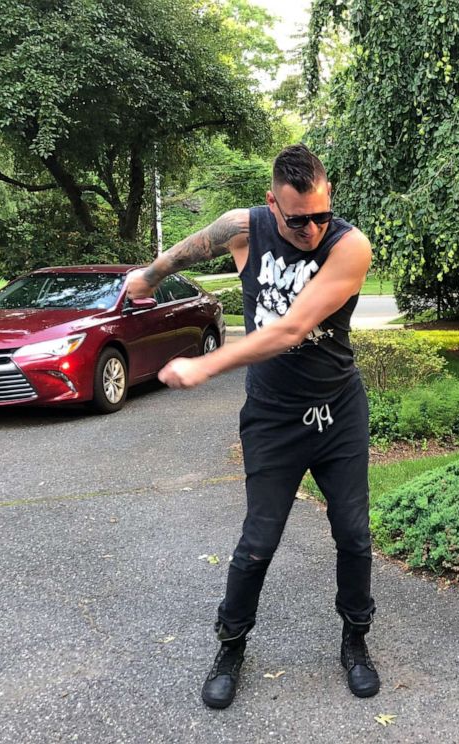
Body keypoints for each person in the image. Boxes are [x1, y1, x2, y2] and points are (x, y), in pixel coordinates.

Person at [126, 144, 379, 709]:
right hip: (272, 415)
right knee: (257, 542)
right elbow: (190, 249)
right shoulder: (242, 228)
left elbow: (290, 331)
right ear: (271, 204)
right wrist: (150, 274)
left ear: (329, 196)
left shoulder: (349, 245)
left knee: (354, 534)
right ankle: (231, 645)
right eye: (297, 219)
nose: (312, 228)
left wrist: (206, 364)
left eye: (321, 214)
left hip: (338, 411)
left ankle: (356, 640)